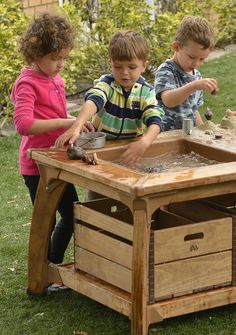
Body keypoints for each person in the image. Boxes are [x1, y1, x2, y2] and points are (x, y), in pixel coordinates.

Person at [10, 13, 78, 284]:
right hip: (37, 167)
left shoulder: (55, 79)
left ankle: (51, 267)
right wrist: (67, 122)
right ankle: (42, 274)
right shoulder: (27, 82)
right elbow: (23, 124)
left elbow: (55, 113)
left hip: (57, 160)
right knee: (46, 221)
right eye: (54, 58)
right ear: (35, 54)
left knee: (72, 214)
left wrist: (75, 126)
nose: (60, 64)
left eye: (64, 58)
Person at [55, 30, 164, 166]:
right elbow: (93, 101)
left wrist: (145, 141)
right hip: (99, 147)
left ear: (144, 66)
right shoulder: (107, 84)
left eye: (132, 67)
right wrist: (78, 125)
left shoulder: (146, 92)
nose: (124, 73)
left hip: (129, 149)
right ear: (111, 63)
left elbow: (155, 121)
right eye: (117, 67)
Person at [154, 15, 218, 131]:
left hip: (188, 136)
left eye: (202, 59)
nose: (196, 63)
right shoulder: (166, 70)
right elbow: (168, 100)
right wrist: (194, 85)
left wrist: (203, 130)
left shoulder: (197, 76)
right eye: (192, 57)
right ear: (176, 47)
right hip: (166, 137)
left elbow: (194, 110)